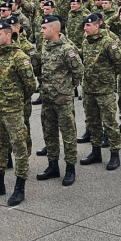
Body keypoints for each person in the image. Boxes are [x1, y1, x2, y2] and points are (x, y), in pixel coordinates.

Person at [0, 21, 37, 206]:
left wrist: (18, 99)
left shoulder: (19, 57)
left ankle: (19, 187)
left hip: (13, 110)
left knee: (19, 148)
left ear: (9, 35)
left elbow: (30, 85)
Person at [36, 14, 83, 184]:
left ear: (54, 29)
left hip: (62, 99)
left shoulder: (67, 49)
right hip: (47, 98)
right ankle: (53, 165)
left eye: (44, 28)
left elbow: (78, 71)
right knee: (49, 133)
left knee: (68, 134)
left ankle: (70, 168)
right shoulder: (45, 46)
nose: (41, 31)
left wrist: (68, 88)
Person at [79, 12, 121, 169]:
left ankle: (115, 154)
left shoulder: (108, 42)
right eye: (85, 25)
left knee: (110, 123)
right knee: (93, 122)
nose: (85, 28)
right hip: (89, 89)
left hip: (104, 90)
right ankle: (96, 151)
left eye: (88, 25)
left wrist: (108, 78)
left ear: (97, 25)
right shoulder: (85, 41)